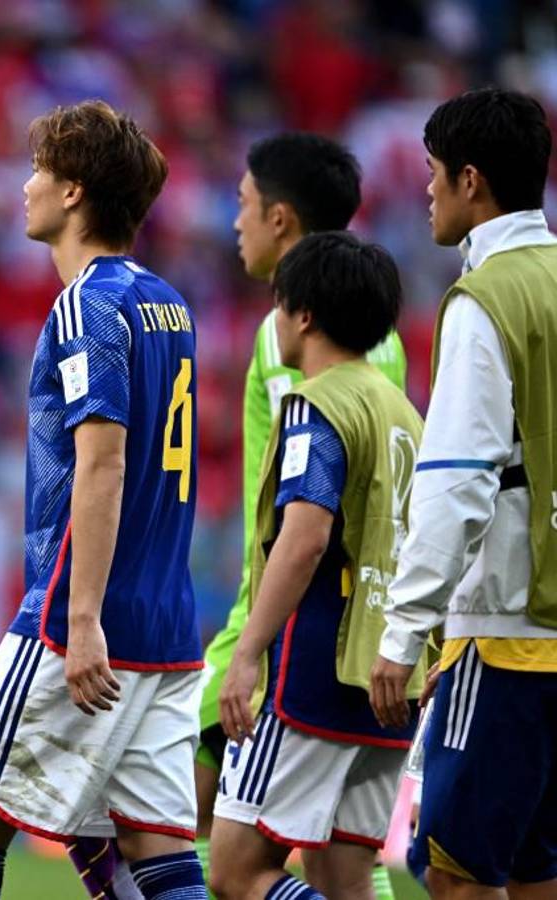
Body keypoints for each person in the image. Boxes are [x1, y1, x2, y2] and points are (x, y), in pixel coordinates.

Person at [0, 99, 207, 900]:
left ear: (75, 192)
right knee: (155, 849)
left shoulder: (87, 305)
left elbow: (104, 462)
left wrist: (80, 619)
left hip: (77, 617)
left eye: (39, 171)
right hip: (168, 622)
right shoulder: (170, 303)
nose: (25, 187)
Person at [196, 132, 406, 899]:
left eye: (244, 206)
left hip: (303, 634)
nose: (234, 222)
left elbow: (309, 526)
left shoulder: (312, 385)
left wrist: (252, 647)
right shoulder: (393, 385)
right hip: (382, 643)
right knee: (344, 865)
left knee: (220, 860)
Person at [370, 87, 557, 900]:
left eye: (433, 173)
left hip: (502, 627)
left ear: (471, 181)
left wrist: (405, 629)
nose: (427, 191)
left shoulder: (485, 299)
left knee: (457, 874)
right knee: (535, 869)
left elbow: (458, 480)